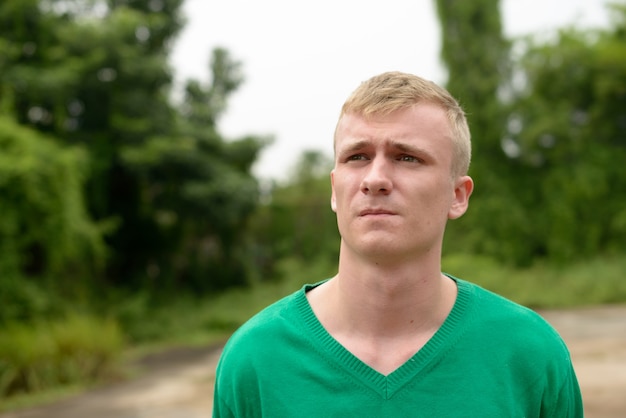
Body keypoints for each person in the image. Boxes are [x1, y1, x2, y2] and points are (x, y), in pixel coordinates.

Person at [212, 71, 583, 417]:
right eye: (357, 157)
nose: (375, 179)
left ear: (457, 195)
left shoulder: (530, 354)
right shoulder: (255, 359)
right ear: (334, 190)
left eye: (407, 157)